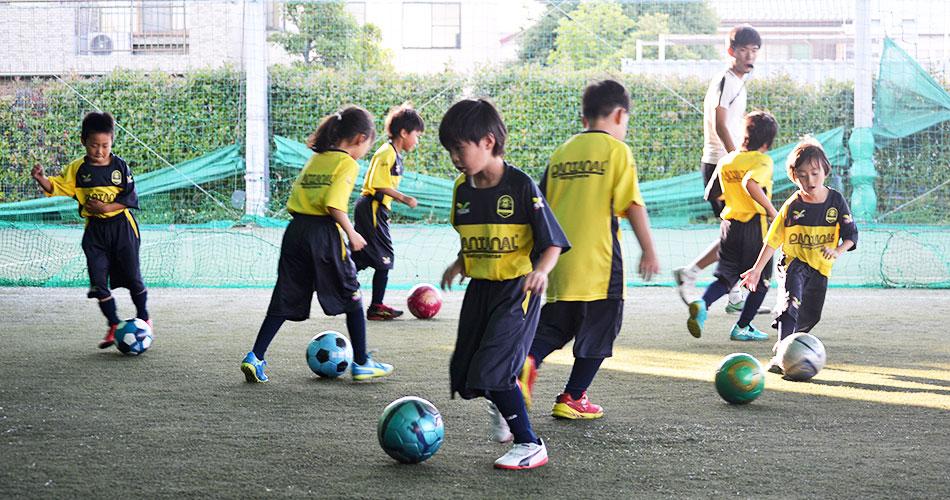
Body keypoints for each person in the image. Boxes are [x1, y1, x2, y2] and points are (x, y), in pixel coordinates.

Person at [439, 98, 569, 470]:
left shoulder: (521, 186)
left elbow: (553, 242)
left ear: (489, 142)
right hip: (479, 290)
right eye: (449, 150)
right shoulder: (462, 190)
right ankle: (503, 397)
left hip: (518, 291)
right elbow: (474, 238)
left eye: (459, 148)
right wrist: (460, 263)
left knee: (493, 369)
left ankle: (530, 443)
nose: (454, 157)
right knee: (467, 369)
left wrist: (541, 271)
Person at [518, 80, 659, 420]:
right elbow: (632, 204)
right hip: (599, 266)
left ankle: (526, 362)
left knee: (554, 327)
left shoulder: (561, 153)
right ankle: (574, 396)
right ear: (620, 114)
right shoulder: (617, 151)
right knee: (601, 329)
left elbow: (540, 208)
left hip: (559, 266)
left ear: (584, 118)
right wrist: (649, 251)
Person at [241, 105, 393, 383]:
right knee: (352, 294)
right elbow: (334, 204)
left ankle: (255, 357)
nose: (365, 152)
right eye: (368, 146)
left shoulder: (316, 159)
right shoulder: (348, 163)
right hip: (323, 234)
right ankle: (361, 363)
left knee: (284, 296)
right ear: (360, 139)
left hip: (296, 231)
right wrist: (352, 234)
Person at [31, 111, 150, 349]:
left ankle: (144, 318)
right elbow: (57, 186)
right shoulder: (78, 169)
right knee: (98, 282)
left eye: (105, 145)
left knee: (133, 277)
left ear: (112, 141)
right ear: (83, 141)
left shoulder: (120, 167)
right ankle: (114, 323)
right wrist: (41, 178)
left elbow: (129, 199)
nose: (99, 151)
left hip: (122, 228)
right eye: (94, 145)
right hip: (95, 232)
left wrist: (105, 206)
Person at [740, 138, 857, 372]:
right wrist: (756, 269)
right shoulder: (793, 206)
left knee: (810, 315)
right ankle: (782, 353)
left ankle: (790, 343)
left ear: (825, 170)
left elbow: (851, 235)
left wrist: (837, 250)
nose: (809, 180)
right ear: (794, 177)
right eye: (802, 175)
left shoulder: (836, 201)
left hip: (821, 267)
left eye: (814, 173)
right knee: (791, 303)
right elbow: (773, 239)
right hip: (794, 262)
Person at [673, 24, 762, 312]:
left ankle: (731, 290)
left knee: (734, 230)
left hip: (726, 164)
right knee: (737, 231)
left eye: (754, 50)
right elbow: (719, 121)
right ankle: (693, 272)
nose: (750, 55)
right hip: (721, 165)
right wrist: (736, 157)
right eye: (744, 50)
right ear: (731, 52)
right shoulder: (726, 80)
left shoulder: (737, 81)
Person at [686, 111, 778, 341]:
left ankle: (702, 303)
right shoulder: (763, 161)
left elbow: (711, 193)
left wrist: (732, 192)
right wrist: (772, 211)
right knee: (761, 278)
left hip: (729, 226)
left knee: (727, 276)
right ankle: (743, 327)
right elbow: (751, 183)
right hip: (755, 227)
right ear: (767, 142)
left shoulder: (727, 160)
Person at [352, 104, 423, 320]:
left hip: (375, 209)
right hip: (371, 206)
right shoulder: (387, 152)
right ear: (404, 133)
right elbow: (377, 184)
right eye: (416, 136)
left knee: (364, 255)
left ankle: (335, 279)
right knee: (385, 257)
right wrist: (404, 198)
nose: (417, 141)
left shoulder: (394, 154)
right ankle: (376, 307)